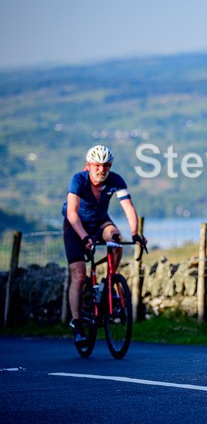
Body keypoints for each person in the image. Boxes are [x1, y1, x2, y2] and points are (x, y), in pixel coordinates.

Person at [63, 145, 147, 344]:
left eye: (106, 166)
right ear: (89, 165)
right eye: (97, 166)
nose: (102, 170)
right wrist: (84, 237)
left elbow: (128, 208)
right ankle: (77, 324)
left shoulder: (115, 180)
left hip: (100, 222)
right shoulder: (78, 179)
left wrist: (135, 234)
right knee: (79, 275)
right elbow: (72, 213)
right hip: (75, 226)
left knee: (116, 238)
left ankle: (109, 282)